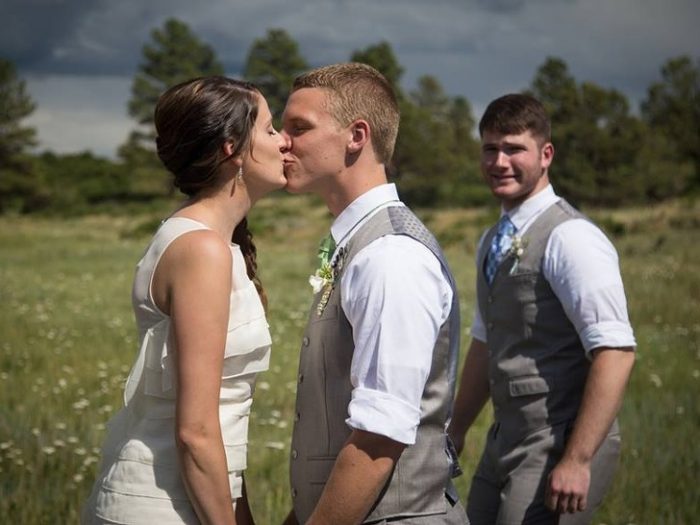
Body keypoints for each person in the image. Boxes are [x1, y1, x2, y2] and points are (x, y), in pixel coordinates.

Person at [82, 76, 288, 524]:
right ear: (231, 148)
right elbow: (195, 432)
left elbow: (218, 423)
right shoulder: (202, 250)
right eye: (271, 129)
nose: (285, 141)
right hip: (163, 507)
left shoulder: (204, 240)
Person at [279, 62, 467, 525]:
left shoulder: (390, 255)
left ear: (356, 136)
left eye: (299, 128)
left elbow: (380, 434)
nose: (282, 141)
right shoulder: (362, 242)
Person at [448, 93, 636, 524]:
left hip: (559, 442)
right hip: (505, 437)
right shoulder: (490, 239)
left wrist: (578, 460)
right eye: (490, 148)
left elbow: (615, 351)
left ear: (545, 154)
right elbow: (485, 340)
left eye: (514, 148)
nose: (499, 161)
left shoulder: (571, 239)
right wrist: (457, 427)